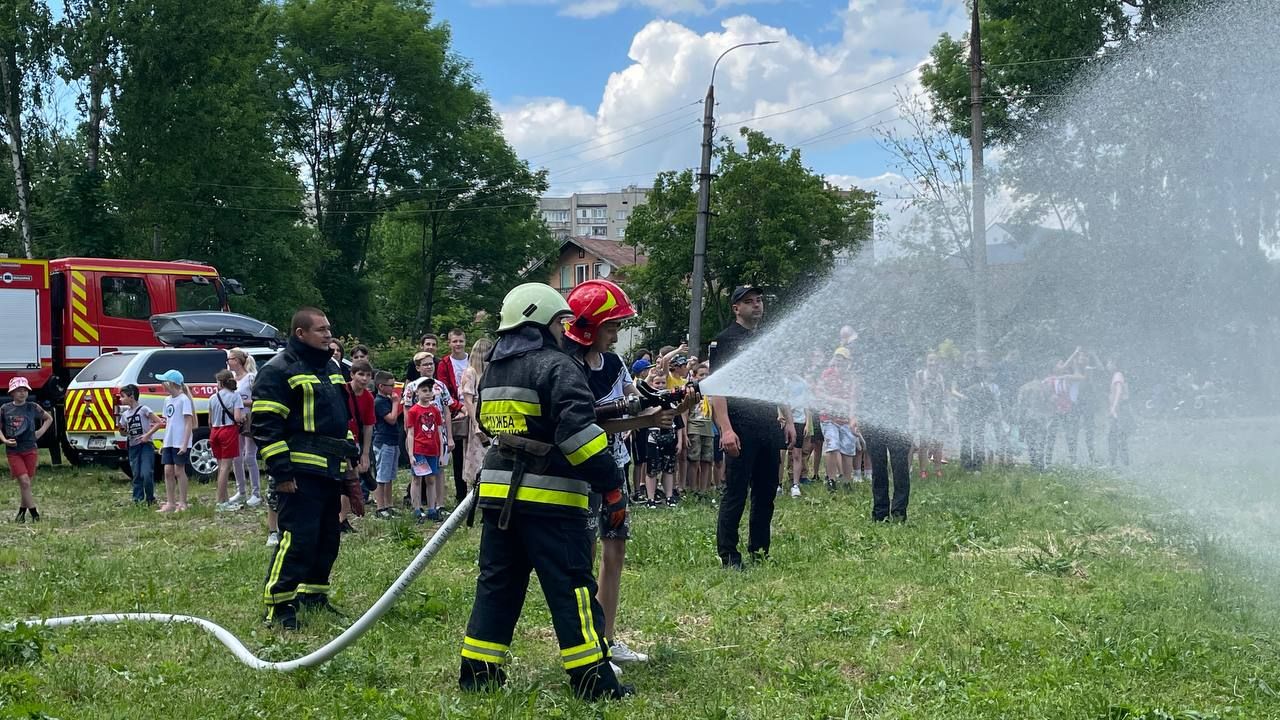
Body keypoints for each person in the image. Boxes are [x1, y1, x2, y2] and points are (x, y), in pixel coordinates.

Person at [459, 282, 631, 700]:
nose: (563, 329)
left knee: (497, 585)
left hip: (500, 498)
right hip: (552, 500)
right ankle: (593, 680)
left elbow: (498, 426)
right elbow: (578, 438)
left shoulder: (496, 368)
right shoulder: (557, 366)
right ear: (541, 322)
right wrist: (611, 484)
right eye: (559, 321)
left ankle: (478, 673)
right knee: (572, 587)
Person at [563, 279, 685, 668]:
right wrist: (642, 421)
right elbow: (587, 425)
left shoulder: (614, 364)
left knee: (614, 550)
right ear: (589, 326)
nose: (616, 334)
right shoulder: (568, 368)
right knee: (583, 560)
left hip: (615, 469)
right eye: (611, 326)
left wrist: (672, 405)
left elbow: (633, 403)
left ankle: (607, 638)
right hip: (582, 474)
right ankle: (588, 647)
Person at [255, 307, 355, 630]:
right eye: (321, 329)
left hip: (330, 470)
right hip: (299, 473)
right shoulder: (278, 370)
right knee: (297, 539)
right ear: (301, 334)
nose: (328, 334)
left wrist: (350, 467)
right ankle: (278, 605)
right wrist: (281, 474)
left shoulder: (331, 369)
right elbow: (266, 426)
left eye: (329, 328)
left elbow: (342, 421)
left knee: (327, 538)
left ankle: (313, 595)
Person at [710, 285, 795, 569]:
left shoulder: (765, 340)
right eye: (749, 302)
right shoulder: (726, 340)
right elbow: (716, 388)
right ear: (736, 308)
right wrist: (726, 429)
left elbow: (774, 382)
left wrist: (787, 417)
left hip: (768, 424)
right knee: (736, 492)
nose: (757, 305)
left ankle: (759, 551)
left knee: (767, 491)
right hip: (741, 424)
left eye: (759, 300)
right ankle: (729, 555)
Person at [3, 377, 52, 522]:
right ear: (12, 392)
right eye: (18, 390)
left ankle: (21, 514)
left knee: (27, 485)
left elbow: (48, 418)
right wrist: (5, 440)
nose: (22, 393)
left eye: (24, 390)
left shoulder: (32, 407)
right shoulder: (5, 409)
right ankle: (35, 514)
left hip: (30, 448)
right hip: (14, 450)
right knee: (24, 482)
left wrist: (40, 432)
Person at [340, 359, 376, 532]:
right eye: (361, 374)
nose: (364, 378)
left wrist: (365, 453)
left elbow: (369, 425)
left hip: (354, 441)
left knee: (351, 480)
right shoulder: (342, 391)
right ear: (352, 374)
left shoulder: (368, 397)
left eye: (368, 375)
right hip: (339, 440)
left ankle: (342, 518)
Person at [816, 347, 857, 491]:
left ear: (848, 362)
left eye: (843, 359)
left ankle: (847, 481)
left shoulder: (851, 378)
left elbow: (853, 400)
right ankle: (831, 480)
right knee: (832, 447)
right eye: (838, 358)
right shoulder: (827, 374)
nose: (840, 361)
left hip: (845, 420)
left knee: (848, 450)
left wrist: (853, 418)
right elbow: (819, 394)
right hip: (828, 417)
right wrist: (837, 401)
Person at [227, 348, 263, 509]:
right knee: (237, 456)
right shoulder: (232, 379)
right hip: (236, 420)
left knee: (250, 455)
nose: (228, 362)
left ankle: (256, 493)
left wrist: (241, 403)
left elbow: (258, 398)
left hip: (249, 419)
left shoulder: (250, 378)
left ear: (240, 361)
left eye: (231, 359)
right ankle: (240, 490)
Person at [406, 381, 446, 523]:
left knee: (431, 479)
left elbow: (440, 433)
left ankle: (432, 509)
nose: (428, 393)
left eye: (430, 390)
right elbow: (410, 433)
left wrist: (441, 454)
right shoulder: (413, 411)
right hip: (419, 449)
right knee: (417, 479)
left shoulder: (435, 411)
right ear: (417, 392)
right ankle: (416, 508)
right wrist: (411, 454)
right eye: (424, 390)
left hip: (433, 449)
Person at [438, 328, 470, 504]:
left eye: (460, 341)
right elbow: (444, 391)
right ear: (449, 343)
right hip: (456, 413)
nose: (458, 344)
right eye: (454, 341)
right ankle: (461, 495)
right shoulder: (444, 363)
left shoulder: (472, 361)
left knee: (474, 453)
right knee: (458, 456)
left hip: (473, 409)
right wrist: (459, 407)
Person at [155, 370, 195, 513]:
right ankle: (170, 502)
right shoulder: (167, 400)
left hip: (180, 441)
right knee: (168, 471)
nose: (162, 384)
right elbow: (168, 422)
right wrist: (163, 442)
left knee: (179, 471)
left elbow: (188, 423)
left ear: (171, 383)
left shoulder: (184, 400)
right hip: (169, 441)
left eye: (164, 381)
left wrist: (184, 444)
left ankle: (183, 502)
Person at [460, 337, 493, 490]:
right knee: (476, 458)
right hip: (477, 418)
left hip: (491, 416)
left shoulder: (491, 372)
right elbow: (468, 401)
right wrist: (476, 424)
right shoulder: (470, 373)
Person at [116, 384, 159, 505]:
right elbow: (124, 432)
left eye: (123, 396)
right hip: (133, 446)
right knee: (136, 474)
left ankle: (150, 498)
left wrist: (147, 435)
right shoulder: (125, 415)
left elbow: (158, 422)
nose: (120, 399)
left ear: (131, 397)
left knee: (146, 473)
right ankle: (137, 499)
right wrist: (123, 431)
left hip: (145, 446)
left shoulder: (144, 409)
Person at [210, 369, 245, 511]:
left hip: (215, 431)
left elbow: (210, 419)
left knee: (220, 467)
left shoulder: (213, 398)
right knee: (226, 467)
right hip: (228, 430)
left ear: (220, 382)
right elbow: (237, 417)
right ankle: (221, 502)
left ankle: (224, 498)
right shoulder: (235, 396)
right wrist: (243, 418)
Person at [371, 370, 402, 518]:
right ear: (381, 386)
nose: (393, 388)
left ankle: (389, 504)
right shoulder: (379, 402)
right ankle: (380, 507)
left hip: (393, 440)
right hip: (383, 441)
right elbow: (391, 419)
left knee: (389, 475)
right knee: (382, 476)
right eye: (391, 385)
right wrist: (396, 403)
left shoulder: (388, 400)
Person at [1107, 358, 1132, 467]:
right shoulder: (1118, 375)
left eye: (1108, 362)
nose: (1107, 365)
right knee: (1118, 436)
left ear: (1114, 363)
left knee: (1114, 436)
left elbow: (1119, 392)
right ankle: (1122, 462)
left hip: (1120, 410)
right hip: (1121, 409)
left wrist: (1114, 407)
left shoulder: (1117, 375)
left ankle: (1117, 463)